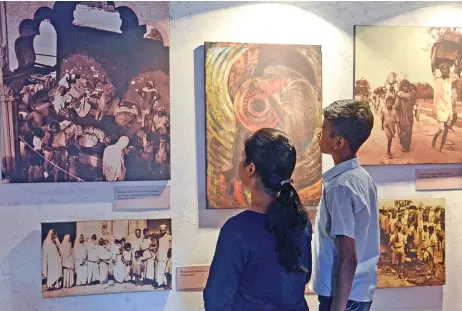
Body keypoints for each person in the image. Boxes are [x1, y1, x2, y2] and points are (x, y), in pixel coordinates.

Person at [204, 128, 312, 311]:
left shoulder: (237, 230)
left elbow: (217, 301)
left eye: (242, 157)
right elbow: (302, 277)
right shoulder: (301, 222)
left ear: (251, 169)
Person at [311, 100, 379, 311]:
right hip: (356, 292)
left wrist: (338, 307)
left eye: (323, 130)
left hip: (341, 297)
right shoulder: (362, 177)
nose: (318, 135)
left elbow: (348, 255)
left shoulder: (340, 187)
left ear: (339, 142)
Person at [431, 61, 461, 151]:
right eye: (443, 68)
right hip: (439, 107)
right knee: (441, 128)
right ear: (440, 70)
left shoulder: (450, 78)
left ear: (449, 70)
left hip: (448, 108)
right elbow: (432, 64)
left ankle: (441, 147)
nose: (445, 70)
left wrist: (458, 60)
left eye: (447, 68)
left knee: (446, 128)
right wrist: (434, 53)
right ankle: (435, 136)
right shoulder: (437, 77)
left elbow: (458, 68)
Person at [394, 79, 415, 152]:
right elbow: (396, 105)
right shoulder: (401, 94)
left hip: (407, 115)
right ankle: (404, 146)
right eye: (404, 86)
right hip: (404, 115)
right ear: (402, 86)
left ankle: (406, 146)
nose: (405, 87)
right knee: (405, 131)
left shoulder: (406, 94)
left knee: (407, 131)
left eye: (407, 86)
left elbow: (413, 103)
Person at [156, 224, 172, 289]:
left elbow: (171, 246)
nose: (162, 231)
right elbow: (158, 246)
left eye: (163, 230)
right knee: (160, 269)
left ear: (165, 229)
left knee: (166, 270)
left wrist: (169, 255)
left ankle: (166, 284)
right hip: (160, 255)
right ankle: (159, 283)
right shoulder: (159, 237)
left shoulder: (169, 237)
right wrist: (157, 254)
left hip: (167, 255)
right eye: (161, 230)